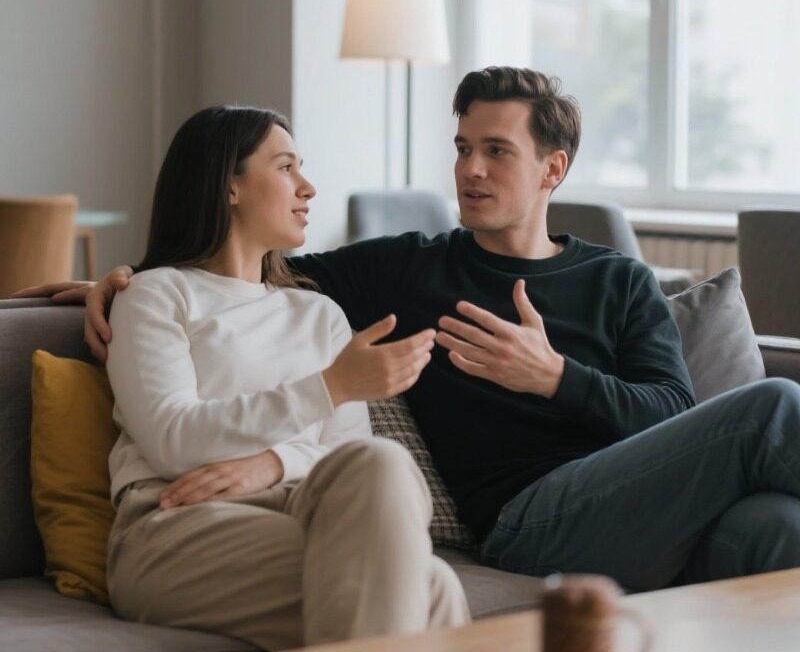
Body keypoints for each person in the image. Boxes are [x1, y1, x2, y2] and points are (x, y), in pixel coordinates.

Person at [21, 67, 800, 593]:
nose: (470, 170)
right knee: (773, 406)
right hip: (529, 523)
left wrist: (555, 377)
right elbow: (237, 273)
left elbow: (677, 417)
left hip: (647, 509)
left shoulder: (620, 281)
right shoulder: (407, 269)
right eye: (464, 149)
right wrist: (116, 279)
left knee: (777, 527)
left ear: (552, 170)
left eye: (497, 152)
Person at [37, 106, 471, 649]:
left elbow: (345, 456)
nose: (308, 187)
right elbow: (173, 439)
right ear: (230, 187)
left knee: (383, 462)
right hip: (178, 525)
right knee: (431, 590)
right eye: (286, 167)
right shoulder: (156, 294)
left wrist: (271, 464)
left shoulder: (319, 314)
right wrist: (330, 387)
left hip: (305, 510)